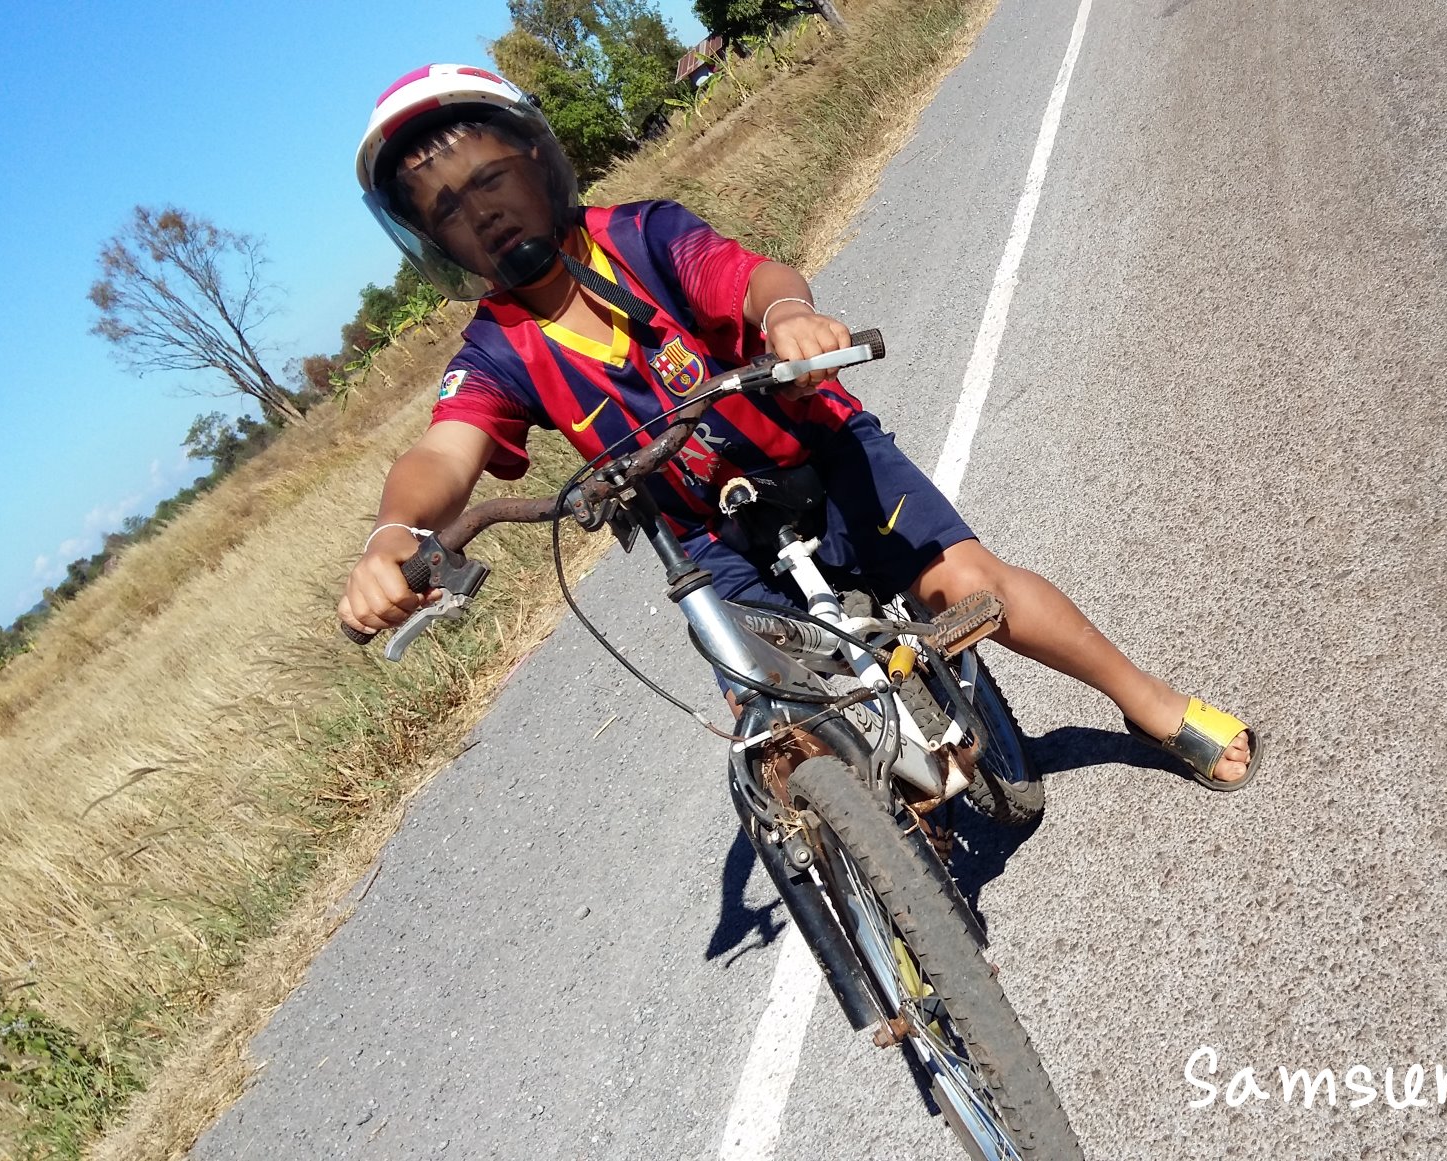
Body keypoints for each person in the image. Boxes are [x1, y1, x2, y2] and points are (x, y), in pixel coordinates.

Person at [336, 64, 1259, 790]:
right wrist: (392, 535)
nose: (481, 211)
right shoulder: (495, 347)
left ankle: (1148, 700)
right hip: (710, 539)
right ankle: (876, 863)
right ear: (433, 240)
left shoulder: (643, 236)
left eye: (490, 177)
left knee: (972, 583)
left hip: (818, 451)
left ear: (539, 163)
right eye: (446, 207)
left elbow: (749, 276)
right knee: (775, 733)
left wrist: (788, 318)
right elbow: (441, 452)